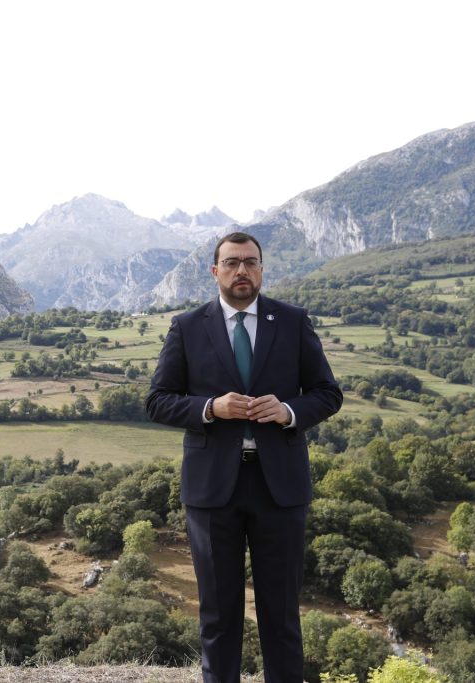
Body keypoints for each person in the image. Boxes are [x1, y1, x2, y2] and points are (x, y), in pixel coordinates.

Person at [145, 232, 342, 683]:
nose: (242, 271)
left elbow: (327, 393)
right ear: (215, 271)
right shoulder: (187, 326)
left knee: (282, 615)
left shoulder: (292, 321)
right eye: (232, 262)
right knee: (218, 615)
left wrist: (289, 411)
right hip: (212, 490)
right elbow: (157, 401)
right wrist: (210, 408)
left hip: (281, 488)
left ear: (262, 269)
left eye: (251, 262)